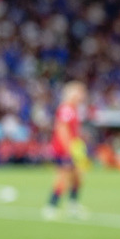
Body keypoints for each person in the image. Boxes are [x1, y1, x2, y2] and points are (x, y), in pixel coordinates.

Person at [42, 81, 89, 220]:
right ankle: (51, 206)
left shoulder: (74, 109)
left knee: (78, 177)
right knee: (63, 177)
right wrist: (70, 149)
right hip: (65, 149)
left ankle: (72, 205)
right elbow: (62, 130)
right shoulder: (66, 109)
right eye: (80, 92)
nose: (82, 96)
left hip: (74, 148)